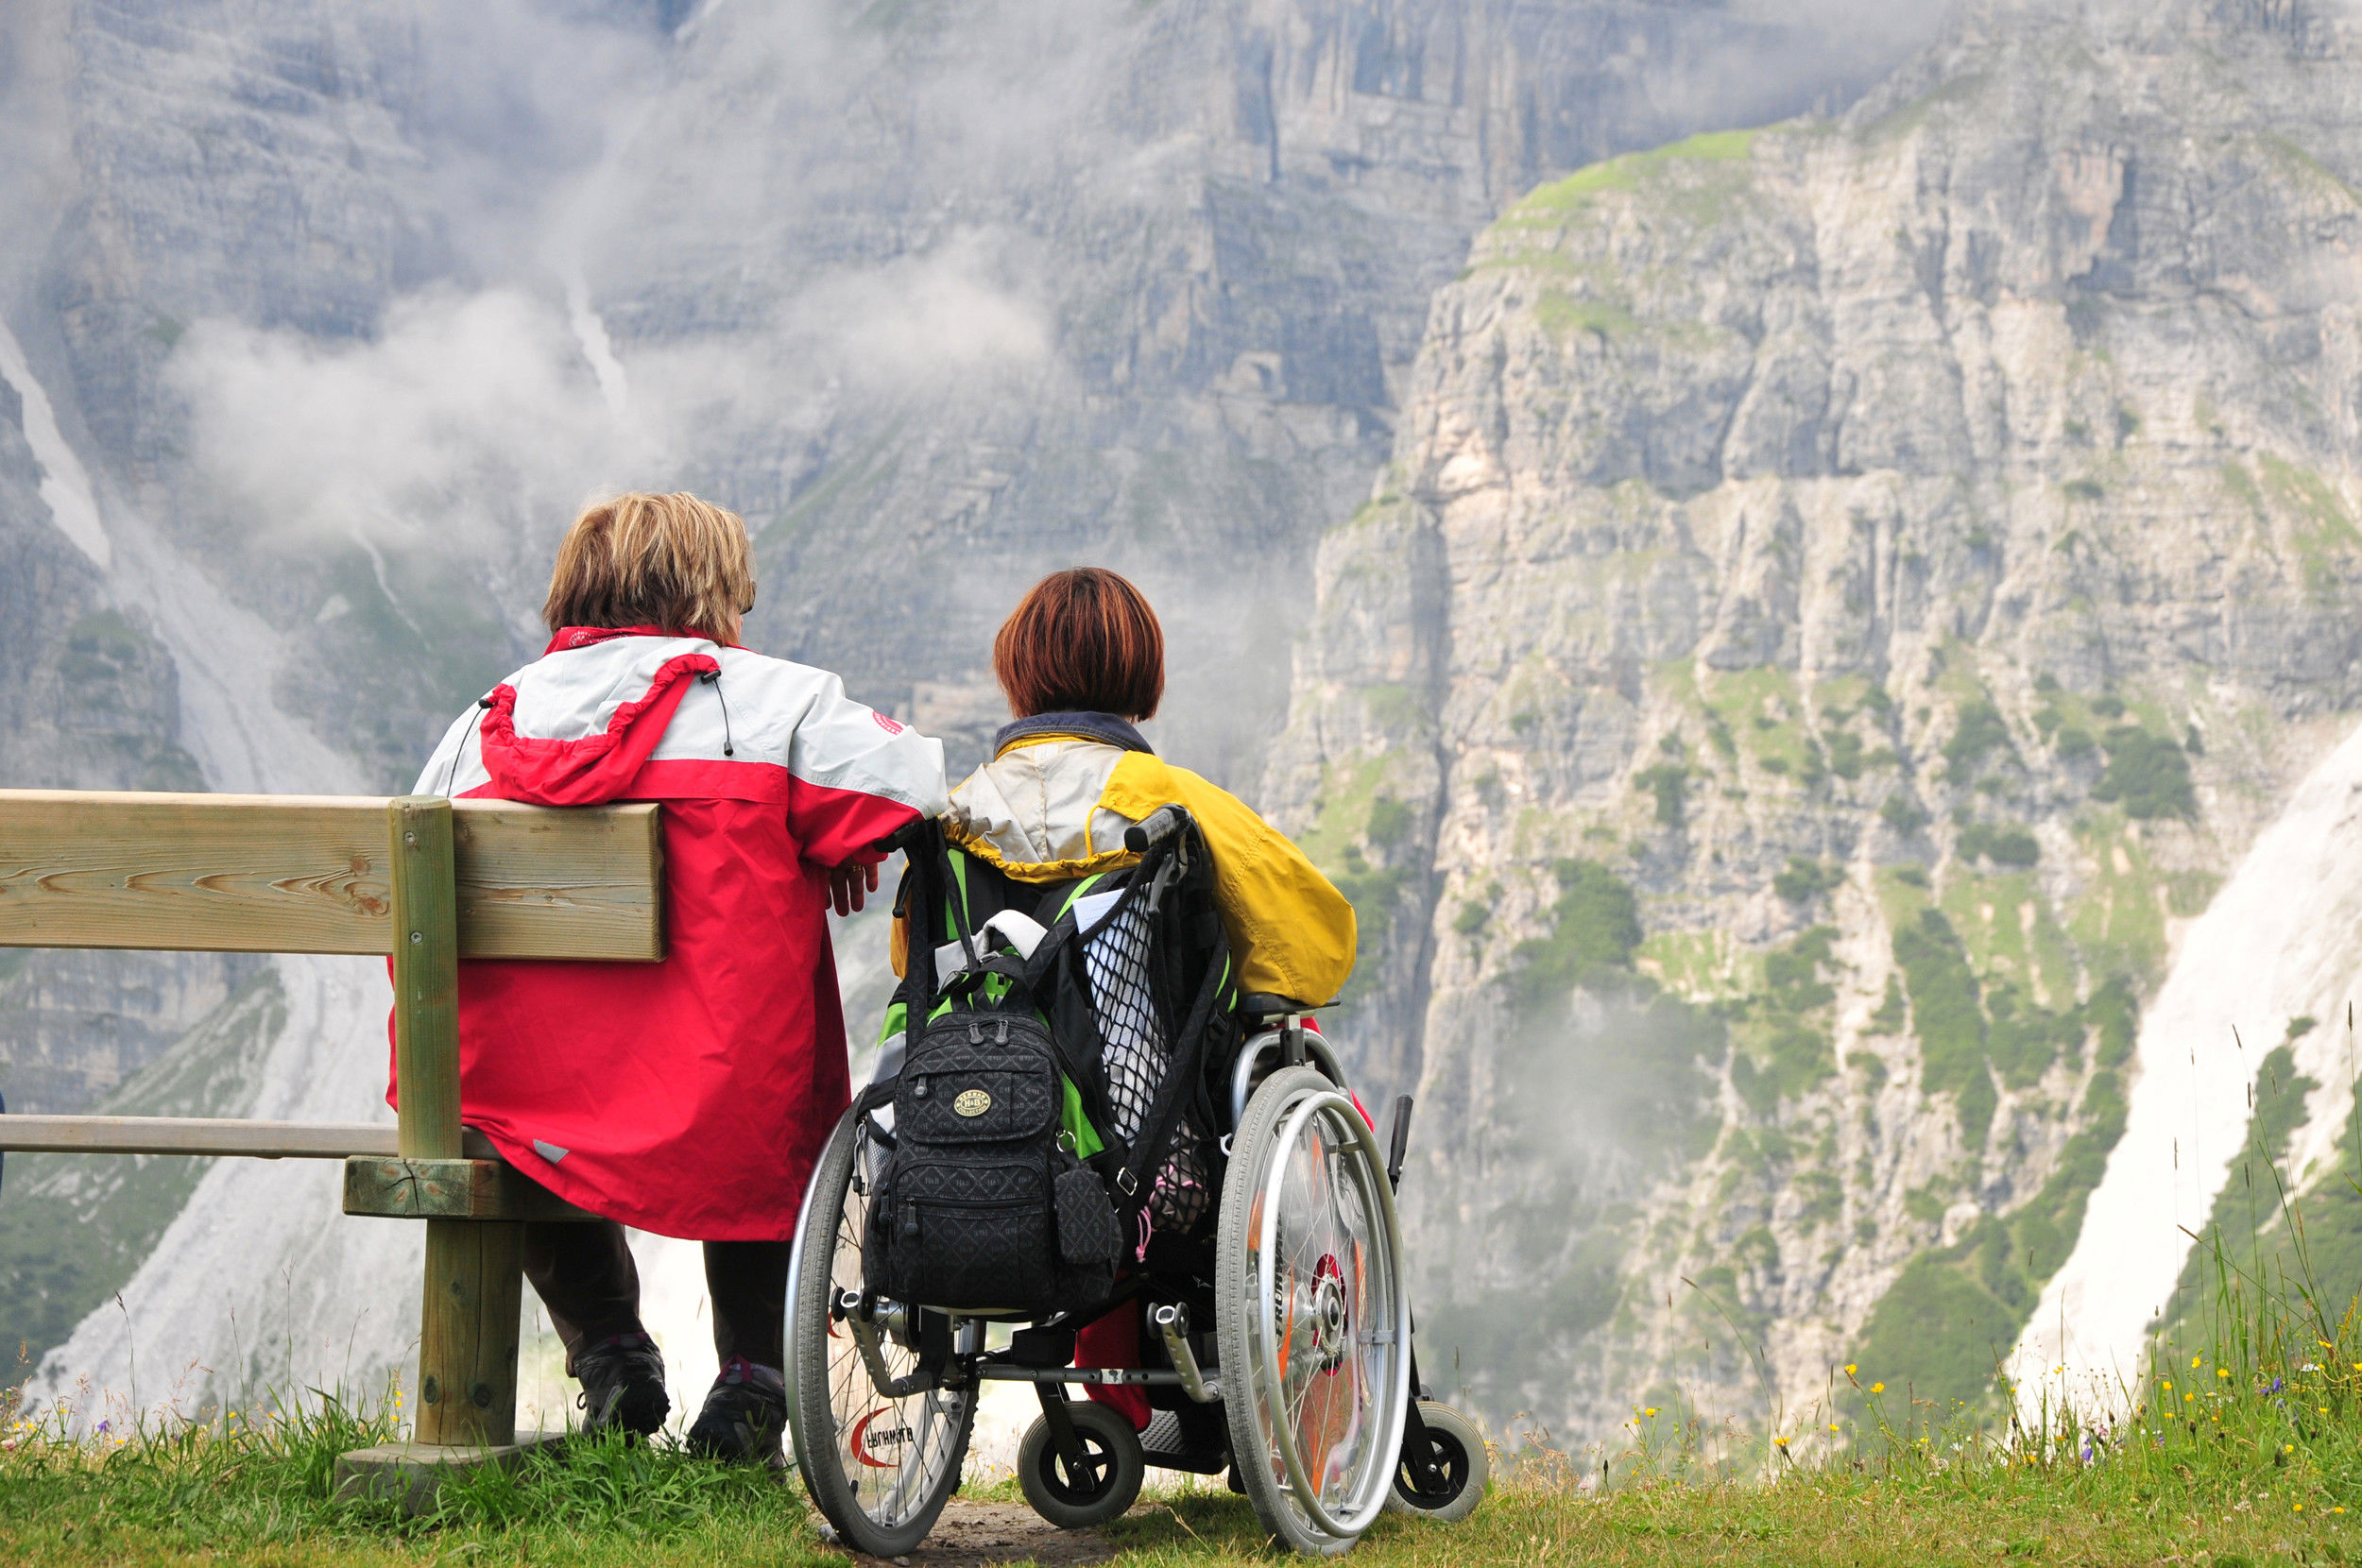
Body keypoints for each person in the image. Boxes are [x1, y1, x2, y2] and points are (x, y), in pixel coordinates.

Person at [399, 492, 947, 1463]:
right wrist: (826, 842)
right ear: (711, 591)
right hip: (713, 1090)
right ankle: (752, 1382)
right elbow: (913, 791)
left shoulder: (482, 723)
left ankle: (610, 1352)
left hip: (525, 1096)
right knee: (759, 1117)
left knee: (513, 1119)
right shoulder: (770, 703)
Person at [932, 565, 1356, 1436]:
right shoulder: (1173, 802)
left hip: (965, 1147)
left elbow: (917, 965)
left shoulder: (954, 816)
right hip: (1152, 1166)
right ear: (1143, 680)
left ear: (1017, 673)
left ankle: (1113, 1402)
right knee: (1287, 1046)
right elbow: (1316, 942)